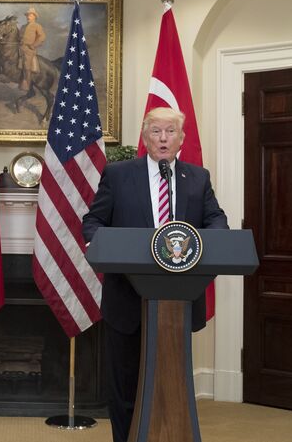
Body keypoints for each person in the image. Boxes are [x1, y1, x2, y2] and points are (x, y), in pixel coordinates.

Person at [82, 107, 228, 442]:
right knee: (127, 385)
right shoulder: (119, 174)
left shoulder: (198, 177)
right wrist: (97, 242)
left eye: (170, 132)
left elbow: (215, 218)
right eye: (156, 132)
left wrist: (216, 238)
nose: (163, 139)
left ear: (182, 139)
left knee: (171, 382)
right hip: (127, 300)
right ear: (145, 137)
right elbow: (94, 221)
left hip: (176, 299)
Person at [19, 6, 46, 91]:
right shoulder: (23, 26)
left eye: (30, 15)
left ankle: (27, 84)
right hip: (20, 47)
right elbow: (19, 37)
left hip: (29, 49)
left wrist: (34, 45)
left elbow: (42, 37)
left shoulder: (37, 26)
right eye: (27, 15)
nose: (28, 17)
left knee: (27, 66)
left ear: (34, 16)